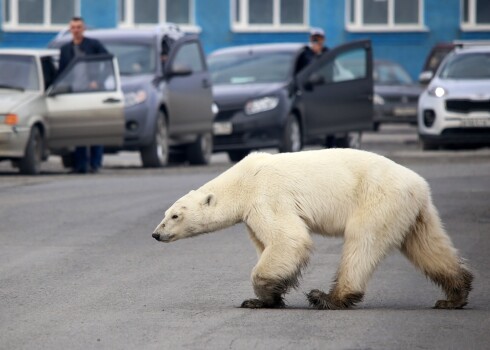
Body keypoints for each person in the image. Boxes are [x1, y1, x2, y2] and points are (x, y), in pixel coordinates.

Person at [59, 16, 109, 174]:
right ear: (70, 29)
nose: (76, 30)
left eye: (79, 27)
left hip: (93, 93)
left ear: (84, 28)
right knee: (78, 130)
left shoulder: (93, 45)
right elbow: (62, 72)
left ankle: (95, 164)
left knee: (95, 129)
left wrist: (97, 81)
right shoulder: (65, 49)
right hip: (74, 94)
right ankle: (80, 165)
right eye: (73, 27)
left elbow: (107, 62)